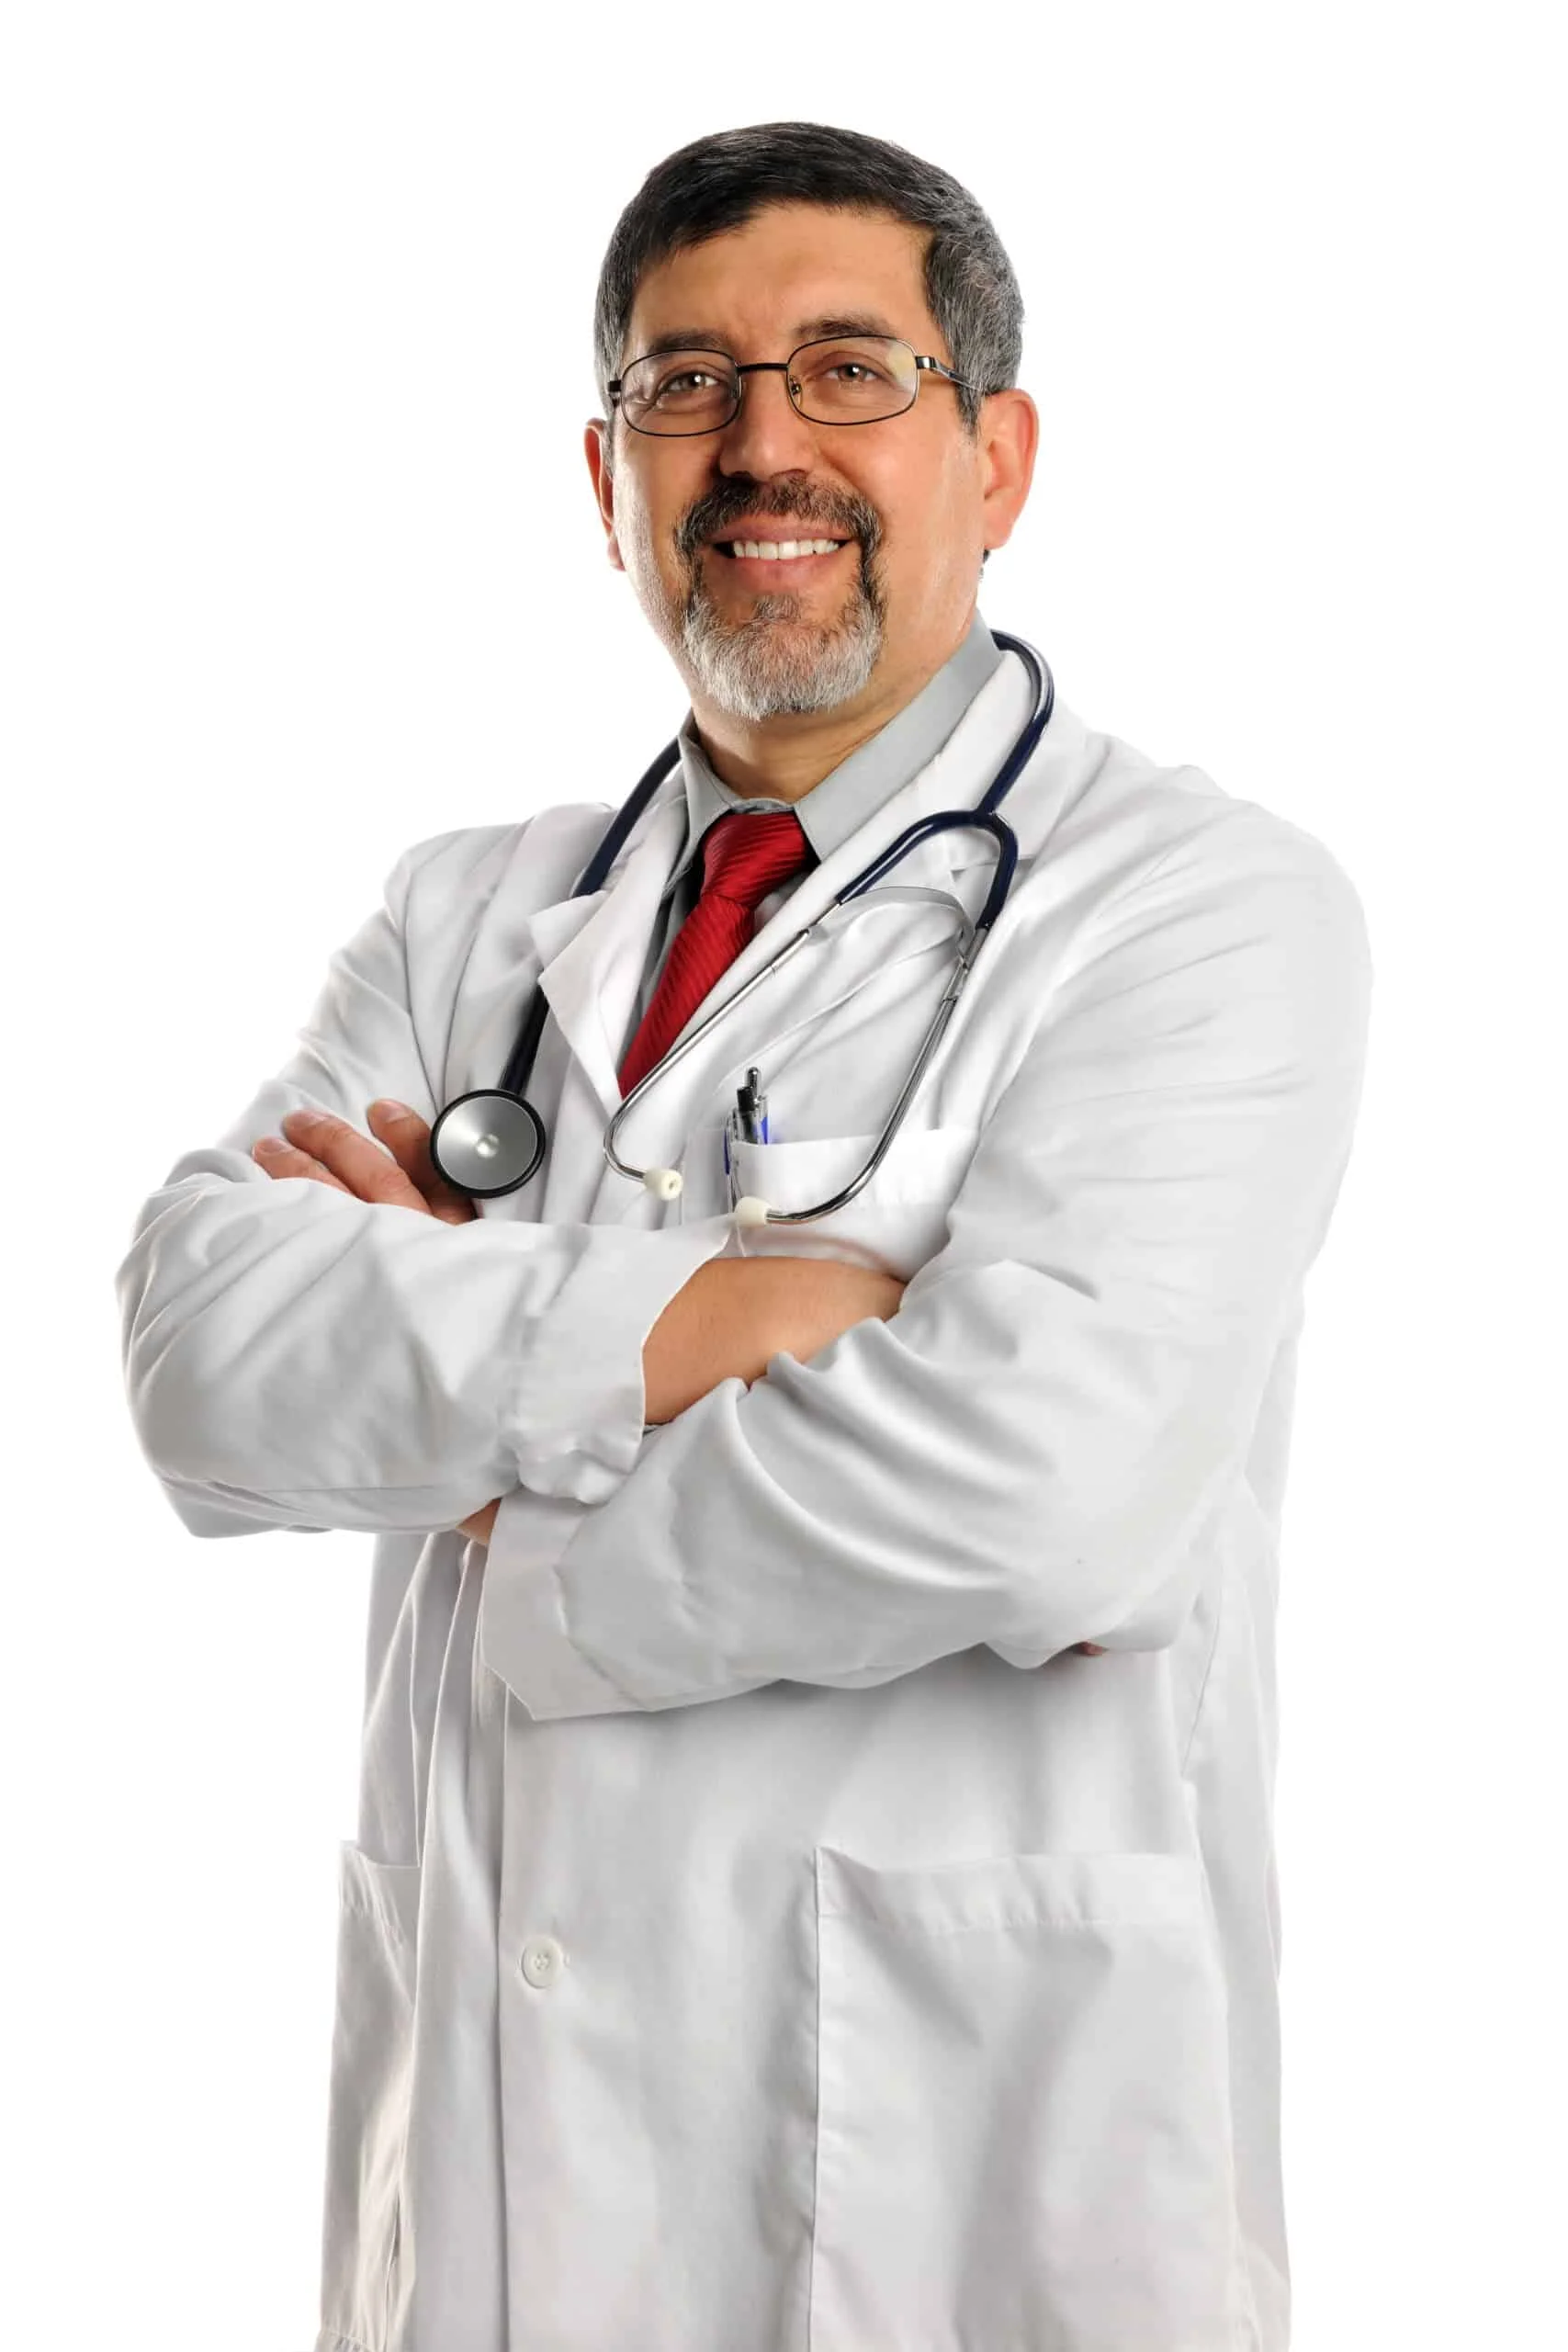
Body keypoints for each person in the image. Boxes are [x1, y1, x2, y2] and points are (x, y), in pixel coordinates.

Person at [115, 119, 1372, 2352]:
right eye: (682, 381)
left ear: (996, 454)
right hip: (481, 2175)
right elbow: (200, 1349)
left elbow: (1043, 1488)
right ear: (601, 473)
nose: (760, 443)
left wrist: (486, 1476)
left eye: (848, 370)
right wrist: (753, 1312)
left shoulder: (1197, 909)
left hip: (955, 2180)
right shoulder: (466, 911)